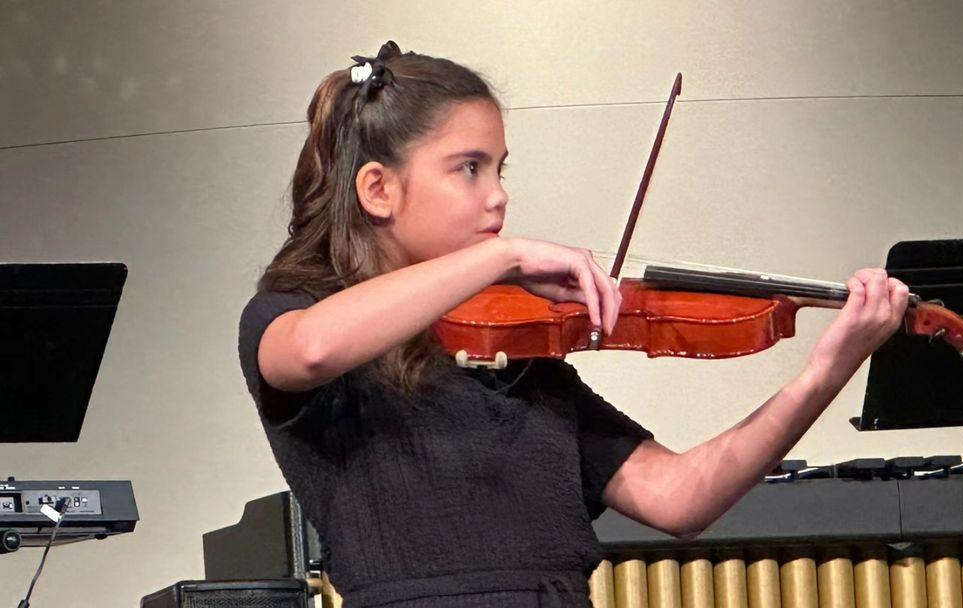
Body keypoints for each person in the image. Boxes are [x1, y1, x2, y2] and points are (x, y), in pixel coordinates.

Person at [237, 41, 909, 608]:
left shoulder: (514, 352)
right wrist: (502, 254)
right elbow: (316, 348)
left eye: (500, 170)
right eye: (469, 169)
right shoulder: (287, 315)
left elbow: (679, 498)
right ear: (379, 189)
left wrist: (830, 367)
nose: (498, 195)